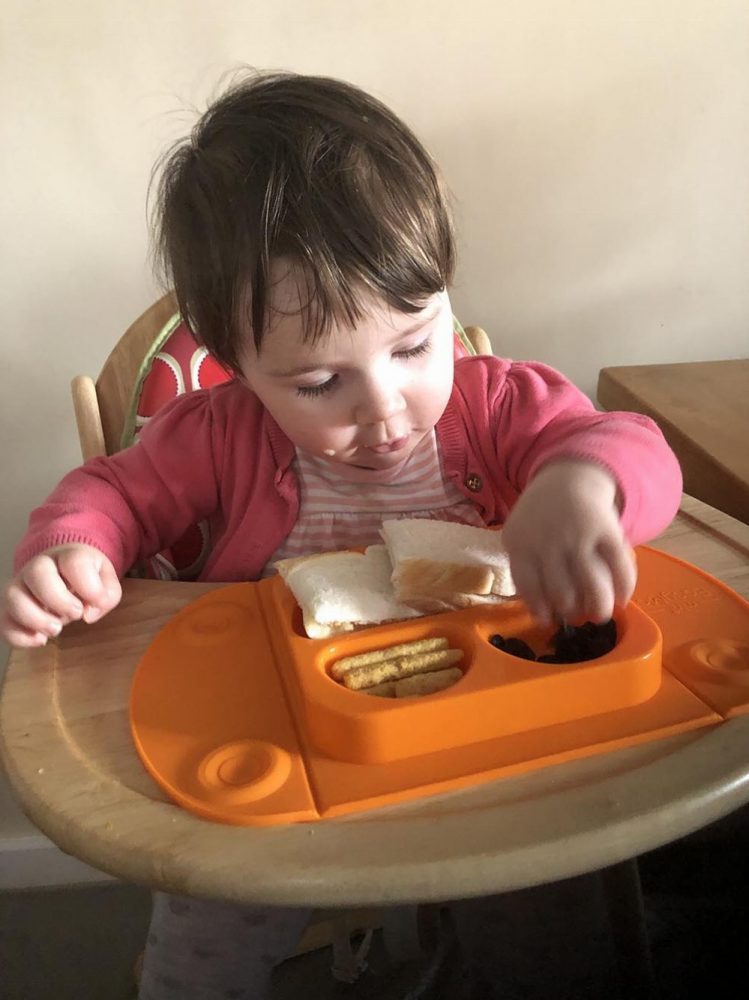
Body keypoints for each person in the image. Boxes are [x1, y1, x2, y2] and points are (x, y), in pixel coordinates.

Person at [2, 72, 682, 999]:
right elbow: (111, 494)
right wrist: (73, 551)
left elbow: (632, 449)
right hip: (284, 759)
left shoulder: (500, 406)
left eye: (413, 346)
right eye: (318, 385)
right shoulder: (215, 434)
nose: (384, 407)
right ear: (230, 358)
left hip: (476, 742)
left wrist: (582, 483)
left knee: (559, 892)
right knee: (208, 911)